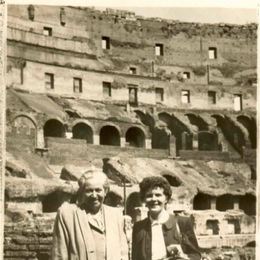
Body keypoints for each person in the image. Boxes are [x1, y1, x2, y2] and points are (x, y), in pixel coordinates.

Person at [51, 168, 129, 260]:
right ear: (82, 192)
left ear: (105, 191)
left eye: (98, 190)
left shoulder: (115, 215)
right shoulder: (67, 215)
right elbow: (59, 254)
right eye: (89, 191)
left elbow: (123, 253)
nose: (94, 195)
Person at [132, 176, 201, 260]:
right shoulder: (138, 227)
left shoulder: (182, 223)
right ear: (144, 199)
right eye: (149, 195)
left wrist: (184, 257)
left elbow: (195, 255)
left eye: (158, 195)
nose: (154, 199)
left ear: (166, 198)